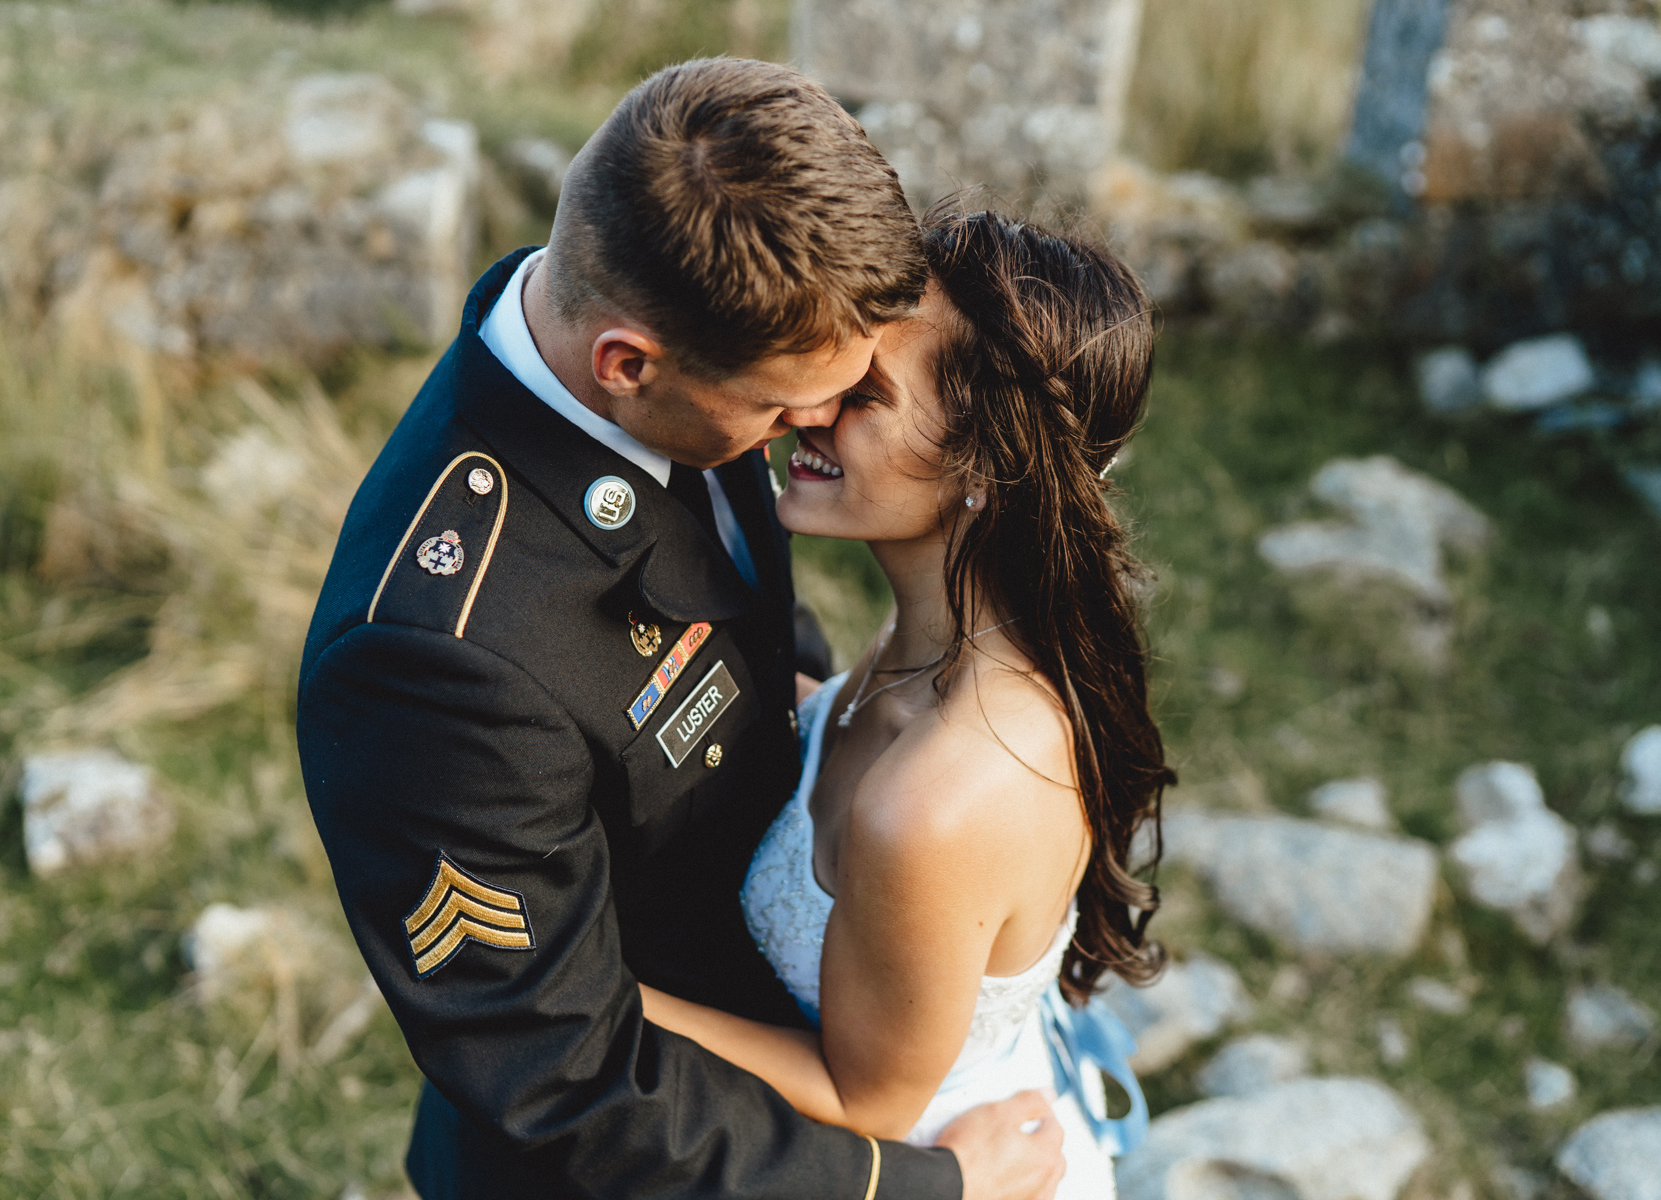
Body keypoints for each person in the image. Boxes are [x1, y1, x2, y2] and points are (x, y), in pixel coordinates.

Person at [296, 59, 1066, 1200]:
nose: (814, 428)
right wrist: (917, 1189)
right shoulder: (438, 656)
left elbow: (734, 609)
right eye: (779, 409)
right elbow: (564, 1079)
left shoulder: (687, 362)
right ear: (627, 364)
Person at [638, 209, 1176, 1200]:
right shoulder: (939, 644)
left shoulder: (936, 801)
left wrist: (582, 1001)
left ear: (983, 468)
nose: (808, 407)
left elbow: (867, 1102)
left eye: (863, 391)